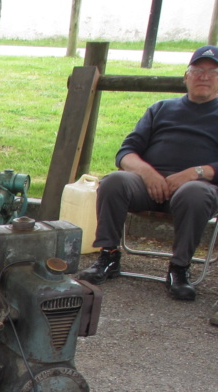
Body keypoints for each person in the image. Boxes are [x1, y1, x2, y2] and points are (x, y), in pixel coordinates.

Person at [79, 45, 218, 323]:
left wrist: (196, 172)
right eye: (197, 71)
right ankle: (108, 256)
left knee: (193, 193)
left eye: (213, 72)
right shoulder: (160, 109)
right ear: (186, 77)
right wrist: (148, 173)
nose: (204, 76)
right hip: (149, 185)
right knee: (114, 181)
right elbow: (125, 152)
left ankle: (179, 269)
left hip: (198, 187)